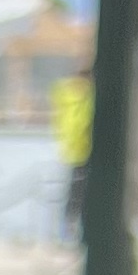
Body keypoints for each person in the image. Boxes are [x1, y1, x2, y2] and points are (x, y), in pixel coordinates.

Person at [49, 66, 95, 233]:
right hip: (82, 150)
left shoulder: (66, 95)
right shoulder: (84, 98)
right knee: (78, 192)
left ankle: (68, 227)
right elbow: (81, 124)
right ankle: (71, 228)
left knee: (74, 191)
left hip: (72, 150)